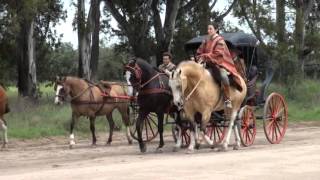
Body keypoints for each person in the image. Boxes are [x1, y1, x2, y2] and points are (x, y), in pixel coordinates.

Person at [196, 24, 241, 109]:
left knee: (224, 77)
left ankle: (227, 99)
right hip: (205, 64)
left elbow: (218, 54)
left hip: (219, 64)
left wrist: (205, 56)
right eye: (208, 29)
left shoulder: (220, 40)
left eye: (210, 29)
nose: (208, 31)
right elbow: (199, 52)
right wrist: (199, 57)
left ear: (216, 30)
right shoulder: (205, 41)